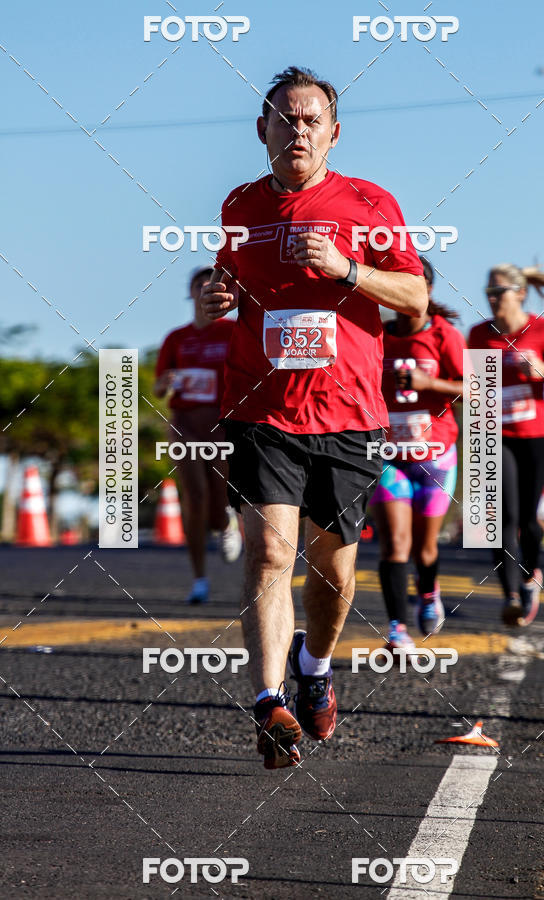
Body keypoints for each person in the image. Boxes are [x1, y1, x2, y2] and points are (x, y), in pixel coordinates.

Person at [200, 66, 427, 768]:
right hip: (263, 409)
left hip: (349, 412)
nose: (297, 129)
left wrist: (347, 269)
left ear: (333, 132)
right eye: (284, 118)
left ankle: (316, 668)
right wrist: (217, 303)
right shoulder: (239, 206)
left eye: (310, 119)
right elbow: (229, 284)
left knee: (333, 574)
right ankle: (269, 702)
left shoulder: (367, 202)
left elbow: (415, 298)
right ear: (261, 129)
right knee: (269, 553)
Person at [468, 263, 544, 627]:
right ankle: (512, 595)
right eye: (488, 292)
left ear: (519, 293)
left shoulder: (543, 329)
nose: (491, 299)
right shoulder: (478, 336)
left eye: (498, 292)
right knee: (501, 518)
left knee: (530, 522)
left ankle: (532, 575)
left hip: (536, 436)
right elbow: (474, 392)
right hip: (492, 435)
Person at [369, 256, 465, 652]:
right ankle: (397, 630)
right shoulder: (376, 334)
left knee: (426, 547)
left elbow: (475, 392)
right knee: (395, 544)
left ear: (427, 289)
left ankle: (428, 593)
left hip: (435, 458)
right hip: (388, 455)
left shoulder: (445, 335)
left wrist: (429, 381)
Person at [154, 266, 242, 604]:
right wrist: (169, 380)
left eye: (214, 283)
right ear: (191, 293)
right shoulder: (177, 338)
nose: (206, 288)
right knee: (193, 498)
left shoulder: (234, 331)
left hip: (223, 424)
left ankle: (227, 522)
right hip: (185, 424)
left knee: (218, 497)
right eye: (199, 285)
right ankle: (199, 578)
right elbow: (159, 386)